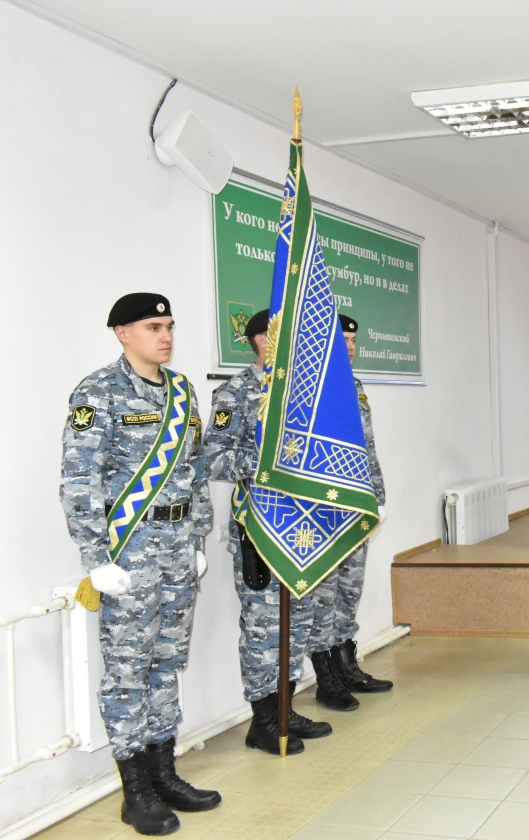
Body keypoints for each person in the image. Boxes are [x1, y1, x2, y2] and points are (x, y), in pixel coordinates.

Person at [60, 293, 220, 835]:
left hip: (177, 548)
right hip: (129, 553)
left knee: (166, 661)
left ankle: (164, 772)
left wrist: (197, 539)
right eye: (154, 327)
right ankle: (135, 792)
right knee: (128, 671)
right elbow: (79, 481)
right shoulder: (98, 392)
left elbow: (196, 472)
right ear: (122, 333)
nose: (166, 336)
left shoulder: (183, 392)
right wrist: (95, 559)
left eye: (170, 325)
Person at [203, 309, 334, 756]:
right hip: (259, 525)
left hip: (303, 526)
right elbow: (213, 458)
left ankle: (286, 706)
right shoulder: (235, 392)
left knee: (297, 622)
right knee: (264, 626)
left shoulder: (302, 393)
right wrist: (267, 465)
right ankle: (263, 720)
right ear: (262, 340)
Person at [309, 313, 392, 709]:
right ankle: (326, 677)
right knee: (323, 597)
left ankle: (346, 665)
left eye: (354, 341)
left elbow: (367, 448)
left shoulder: (354, 387)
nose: (351, 348)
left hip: (356, 506)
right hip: (325, 510)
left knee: (349, 590)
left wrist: (377, 495)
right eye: (343, 341)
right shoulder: (309, 392)